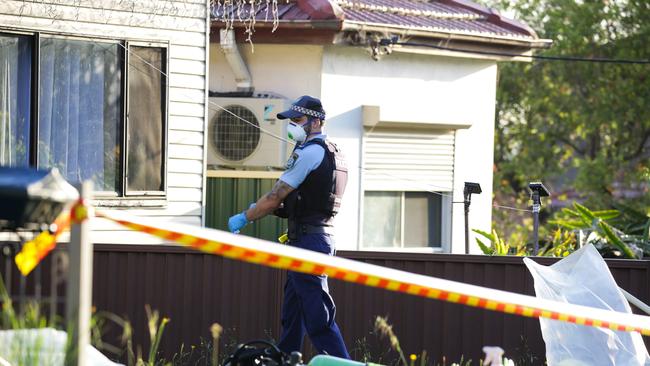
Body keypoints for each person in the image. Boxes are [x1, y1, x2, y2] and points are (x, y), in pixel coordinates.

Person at [227, 95, 350, 359]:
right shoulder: (333, 152)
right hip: (310, 239)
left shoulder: (311, 152)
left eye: (298, 120)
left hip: (310, 242)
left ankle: (343, 364)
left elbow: (275, 196)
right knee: (292, 316)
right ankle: (286, 359)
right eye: (291, 120)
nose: (292, 126)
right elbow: (310, 200)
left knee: (319, 317)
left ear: (316, 122)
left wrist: (246, 216)